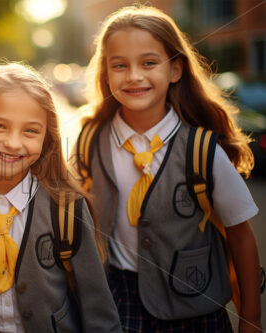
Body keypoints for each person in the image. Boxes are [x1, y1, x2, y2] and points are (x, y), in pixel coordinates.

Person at [72, 5, 262, 333]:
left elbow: (240, 235)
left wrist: (252, 317)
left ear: (175, 70)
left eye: (149, 62)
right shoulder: (90, 139)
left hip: (196, 308)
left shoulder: (203, 151)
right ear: (105, 72)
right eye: (120, 65)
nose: (134, 75)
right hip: (117, 303)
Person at [0, 62, 121, 332]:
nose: (13, 143)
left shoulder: (66, 208)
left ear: (47, 139)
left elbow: (96, 299)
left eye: (30, 131)